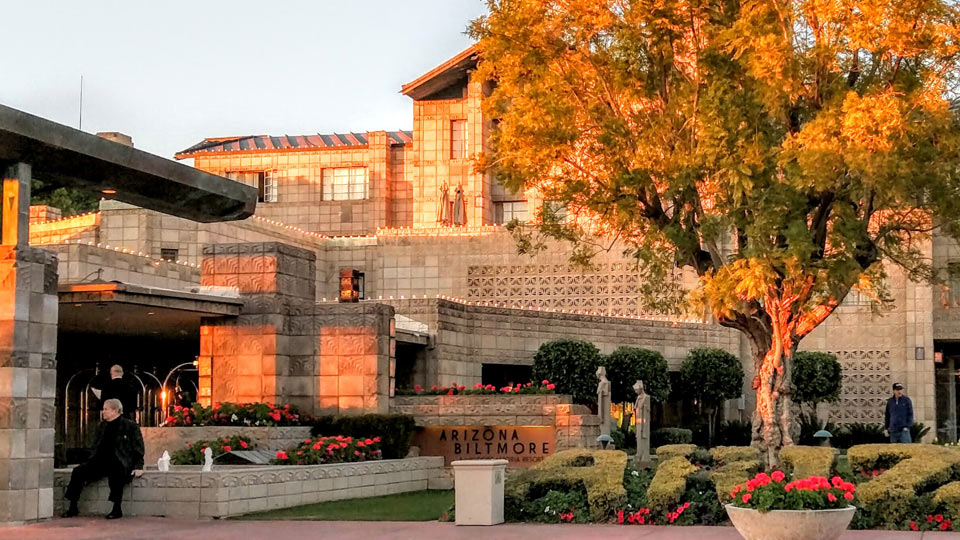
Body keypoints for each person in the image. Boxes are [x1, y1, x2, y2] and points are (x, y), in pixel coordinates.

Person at [62, 399, 144, 519]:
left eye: (106, 409)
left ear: (115, 410)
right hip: (100, 460)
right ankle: (73, 506)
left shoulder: (129, 425)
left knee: (116, 473)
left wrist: (138, 466)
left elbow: (138, 447)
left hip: (119, 460)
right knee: (78, 472)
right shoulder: (102, 425)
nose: (103, 412)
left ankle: (117, 508)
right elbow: (95, 445)